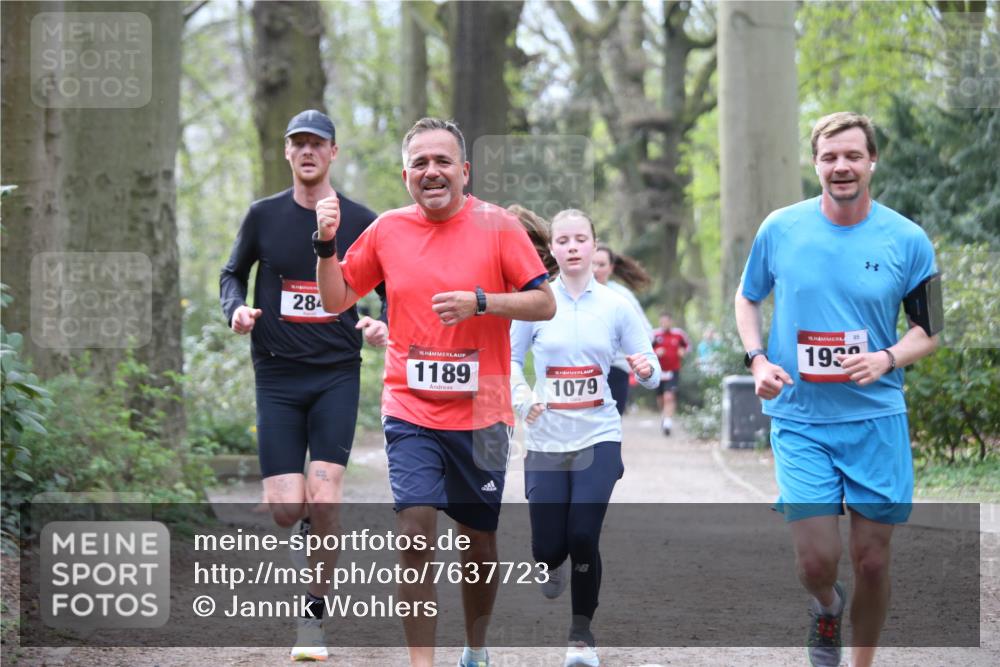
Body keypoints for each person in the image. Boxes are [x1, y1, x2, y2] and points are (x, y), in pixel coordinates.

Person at [314, 118, 556, 667]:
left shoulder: (497, 227)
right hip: (410, 406)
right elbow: (335, 300)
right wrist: (325, 246)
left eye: (443, 161)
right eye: (420, 163)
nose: (432, 172)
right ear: (406, 175)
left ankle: (475, 647)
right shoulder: (387, 230)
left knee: (479, 545)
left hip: (485, 413)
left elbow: (544, 304)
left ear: (464, 172)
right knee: (415, 535)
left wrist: (482, 302)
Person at [734, 111, 939, 667]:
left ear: (872, 161)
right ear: (815, 164)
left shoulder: (908, 239)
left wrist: (887, 357)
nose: (841, 166)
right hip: (801, 418)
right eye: (829, 156)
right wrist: (757, 360)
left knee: (873, 560)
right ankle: (826, 606)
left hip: (876, 420)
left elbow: (930, 330)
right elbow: (747, 297)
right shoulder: (781, 228)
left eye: (852, 155)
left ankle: (861, 662)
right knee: (816, 561)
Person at [219, 109, 387, 661]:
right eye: (299, 143)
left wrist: (382, 320)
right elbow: (230, 274)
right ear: (289, 153)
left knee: (327, 496)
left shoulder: (361, 219)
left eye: (318, 143)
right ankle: (309, 518)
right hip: (277, 375)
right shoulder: (263, 216)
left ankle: (312, 620)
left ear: (334, 153)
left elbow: (392, 285)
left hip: (337, 372)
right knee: (288, 509)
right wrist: (236, 310)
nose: (308, 151)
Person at [511, 209, 657, 667]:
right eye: (563, 240)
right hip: (547, 438)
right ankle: (550, 565)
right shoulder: (534, 301)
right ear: (552, 249)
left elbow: (648, 361)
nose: (573, 247)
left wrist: (647, 370)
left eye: (581, 239)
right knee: (547, 547)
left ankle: (580, 636)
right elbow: (509, 360)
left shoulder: (616, 305)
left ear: (595, 248)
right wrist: (522, 398)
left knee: (582, 533)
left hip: (599, 433)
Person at [591, 244, 653, 415]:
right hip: (584, 368)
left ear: (611, 268)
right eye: (592, 263)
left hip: (615, 368)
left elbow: (646, 332)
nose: (595, 269)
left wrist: (624, 347)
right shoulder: (575, 293)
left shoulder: (622, 297)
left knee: (609, 426)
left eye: (601, 265)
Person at [651, 313, 690, 435]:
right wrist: (656, 352)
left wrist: (683, 351)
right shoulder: (655, 335)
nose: (664, 324)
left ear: (670, 322)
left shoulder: (678, 334)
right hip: (658, 371)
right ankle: (664, 415)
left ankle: (668, 421)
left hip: (673, 370)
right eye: (662, 322)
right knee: (661, 398)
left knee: (669, 396)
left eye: (666, 321)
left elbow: (688, 346)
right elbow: (646, 350)